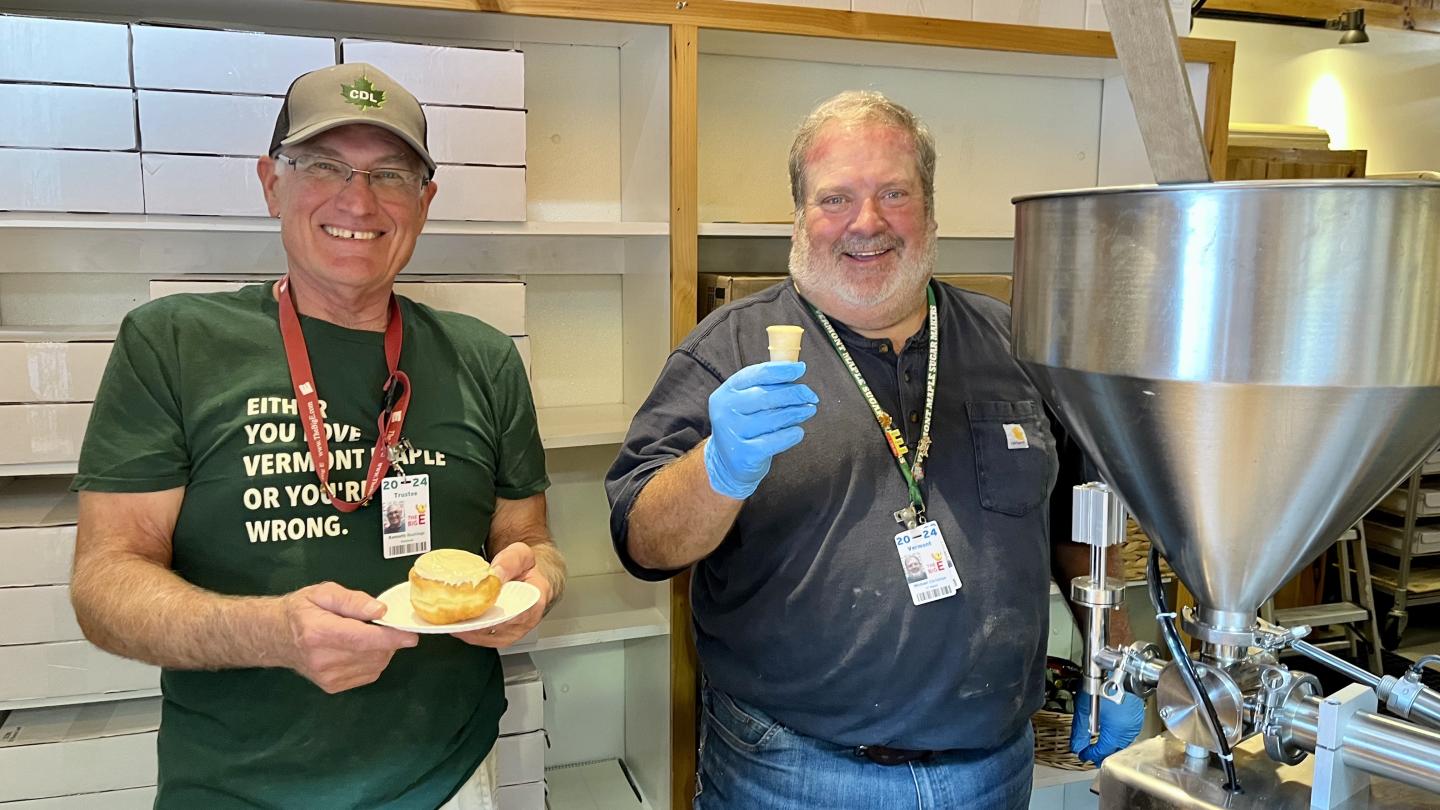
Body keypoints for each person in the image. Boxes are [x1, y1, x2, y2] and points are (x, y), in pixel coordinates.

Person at [605, 91, 1142, 809]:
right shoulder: (727, 350)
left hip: (989, 769)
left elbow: (1083, 527)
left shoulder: (1015, 344)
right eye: (836, 199)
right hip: (788, 774)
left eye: (894, 193)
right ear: (799, 218)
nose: (867, 222)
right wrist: (717, 469)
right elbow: (643, 542)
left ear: (931, 210)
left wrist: (1111, 660)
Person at [69, 63, 566, 810]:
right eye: (323, 166)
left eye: (390, 174)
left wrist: (537, 584)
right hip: (239, 790)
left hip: (450, 776)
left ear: (424, 203)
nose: (358, 200)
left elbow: (529, 538)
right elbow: (104, 583)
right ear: (272, 183)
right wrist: (269, 633)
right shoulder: (171, 343)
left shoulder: (486, 358)